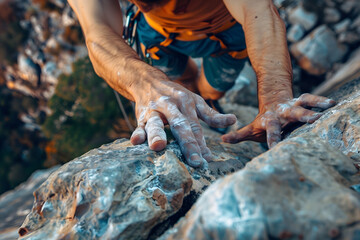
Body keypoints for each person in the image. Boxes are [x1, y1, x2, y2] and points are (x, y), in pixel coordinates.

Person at [68, 0, 336, 167]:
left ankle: (205, 97)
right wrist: (146, 84)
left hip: (224, 31)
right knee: (179, 85)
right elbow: (97, 32)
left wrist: (275, 97)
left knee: (210, 89)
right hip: (156, 32)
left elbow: (257, 9)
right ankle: (190, 95)